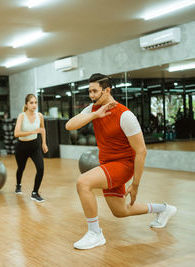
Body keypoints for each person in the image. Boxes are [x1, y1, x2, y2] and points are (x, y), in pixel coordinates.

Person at [66, 73, 177, 250]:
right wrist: (95, 115)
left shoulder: (125, 115)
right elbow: (70, 125)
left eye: (95, 91)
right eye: (90, 91)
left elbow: (141, 151)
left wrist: (136, 184)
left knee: (83, 182)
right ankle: (163, 209)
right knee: (120, 211)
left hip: (123, 165)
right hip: (107, 164)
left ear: (107, 90)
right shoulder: (93, 109)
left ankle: (95, 233)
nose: (92, 95)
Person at [13, 94, 48, 202]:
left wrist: (44, 143)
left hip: (35, 146)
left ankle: (35, 192)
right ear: (26, 105)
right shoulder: (22, 116)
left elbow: (42, 129)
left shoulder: (40, 115)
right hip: (22, 147)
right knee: (21, 168)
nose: (34, 105)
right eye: (31, 103)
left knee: (41, 168)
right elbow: (16, 133)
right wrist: (33, 131)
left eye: (35, 102)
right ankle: (18, 184)